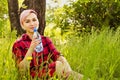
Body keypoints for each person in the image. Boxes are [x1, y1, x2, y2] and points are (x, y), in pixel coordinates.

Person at [12, 9, 83, 80]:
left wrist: (68, 70)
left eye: (34, 20)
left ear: (38, 21)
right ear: (23, 25)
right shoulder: (18, 44)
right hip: (32, 76)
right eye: (27, 21)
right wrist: (31, 48)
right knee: (58, 65)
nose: (32, 24)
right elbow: (22, 70)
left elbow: (57, 55)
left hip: (48, 72)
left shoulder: (45, 40)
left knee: (79, 76)